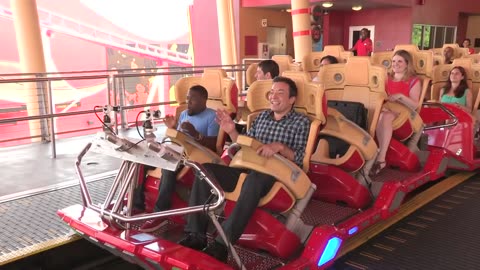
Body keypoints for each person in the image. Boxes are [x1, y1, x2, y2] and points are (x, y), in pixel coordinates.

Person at [177, 76, 311, 262]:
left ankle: (222, 244)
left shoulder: (301, 122)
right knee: (204, 170)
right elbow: (244, 143)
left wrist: (279, 147)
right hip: (248, 165)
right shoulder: (262, 116)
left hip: (276, 174)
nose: (273, 96)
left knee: (253, 181)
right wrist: (232, 130)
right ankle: (196, 235)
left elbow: (301, 157)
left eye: (280, 92)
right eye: (271, 92)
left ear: (292, 100)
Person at [140, 85, 220, 231]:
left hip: (196, 156)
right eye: (187, 98)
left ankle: (160, 214)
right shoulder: (184, 114)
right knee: (142, 159)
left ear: (204, 100)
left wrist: (196, 134)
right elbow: (179, 138)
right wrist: (173, 127)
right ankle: (137, 205)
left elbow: (214, 146)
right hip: (179, 151)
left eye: (193, 99)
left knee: (169, 168)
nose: (188, 102)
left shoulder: (212, 116)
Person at [371, 50, 421, 176]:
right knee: (381, 115)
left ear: (407, 64)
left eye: (399, 61)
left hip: (405, 112)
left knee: (385, 117)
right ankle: (377, 155)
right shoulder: (386, 78)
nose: (395, 64)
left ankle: (381, 158)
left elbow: (415, 105)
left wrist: (400, 96)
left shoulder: (414, 81)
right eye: (393, 61)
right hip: (387, 108)